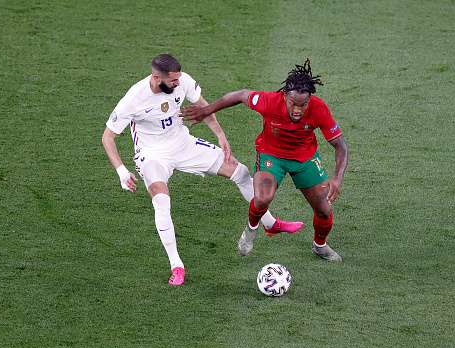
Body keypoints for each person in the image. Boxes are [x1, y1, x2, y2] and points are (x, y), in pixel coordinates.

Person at [101, 54, 303, 286]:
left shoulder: (183, 80)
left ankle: (269, 223)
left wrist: (220, 135)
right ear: (157, 77)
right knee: (162, 202)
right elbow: (108, 137)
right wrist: (121, 171)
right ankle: (176, 265)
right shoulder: (134, 99)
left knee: (241, 171)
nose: (178, 83)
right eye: (173, 81)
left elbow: (202, 106)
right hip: (152, 155)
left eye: (179, 79)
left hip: (183, 144)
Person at [182, 59, 349, 262]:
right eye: (293, 103)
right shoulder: (269, 101)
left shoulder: (319, 109)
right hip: (272, 154)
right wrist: (207, 110)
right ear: (284, 95)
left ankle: (320, 246)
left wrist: (337, 178)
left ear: (310, 99)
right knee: (262, 198)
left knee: (324, 209)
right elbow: (240, 95)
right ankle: (250, 231)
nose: (297, 110)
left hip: (304, 158)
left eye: (303, 105)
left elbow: (340, 145)